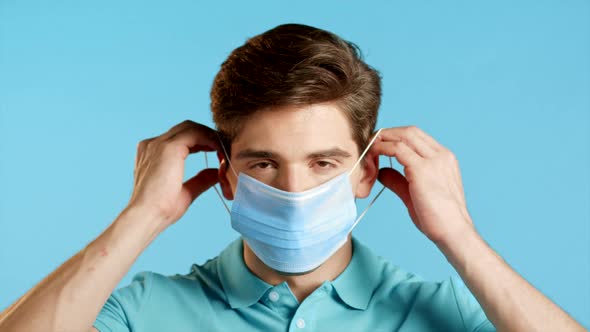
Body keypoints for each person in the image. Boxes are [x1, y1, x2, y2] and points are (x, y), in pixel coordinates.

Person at [0, 23, 585, 332]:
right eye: (263, 164)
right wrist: (140, 218)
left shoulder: (443, 313)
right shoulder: (144, 311)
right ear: (225, 176)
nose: (294, 190)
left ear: (367, 174)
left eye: (324, 163)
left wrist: (460, 237)